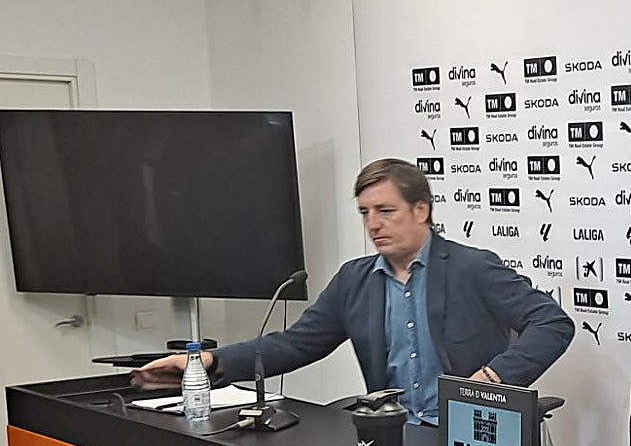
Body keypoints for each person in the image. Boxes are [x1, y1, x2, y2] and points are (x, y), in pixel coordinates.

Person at [133, 158, 574, 424]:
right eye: (365, 213)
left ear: (421, 211)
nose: (373, 224)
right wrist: (211, 362)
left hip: (469, 437)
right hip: (393, 433)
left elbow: (552, 322)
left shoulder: (471, 267)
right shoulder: (355, 280)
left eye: (386, 211)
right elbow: (296, 344)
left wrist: (496, 376)